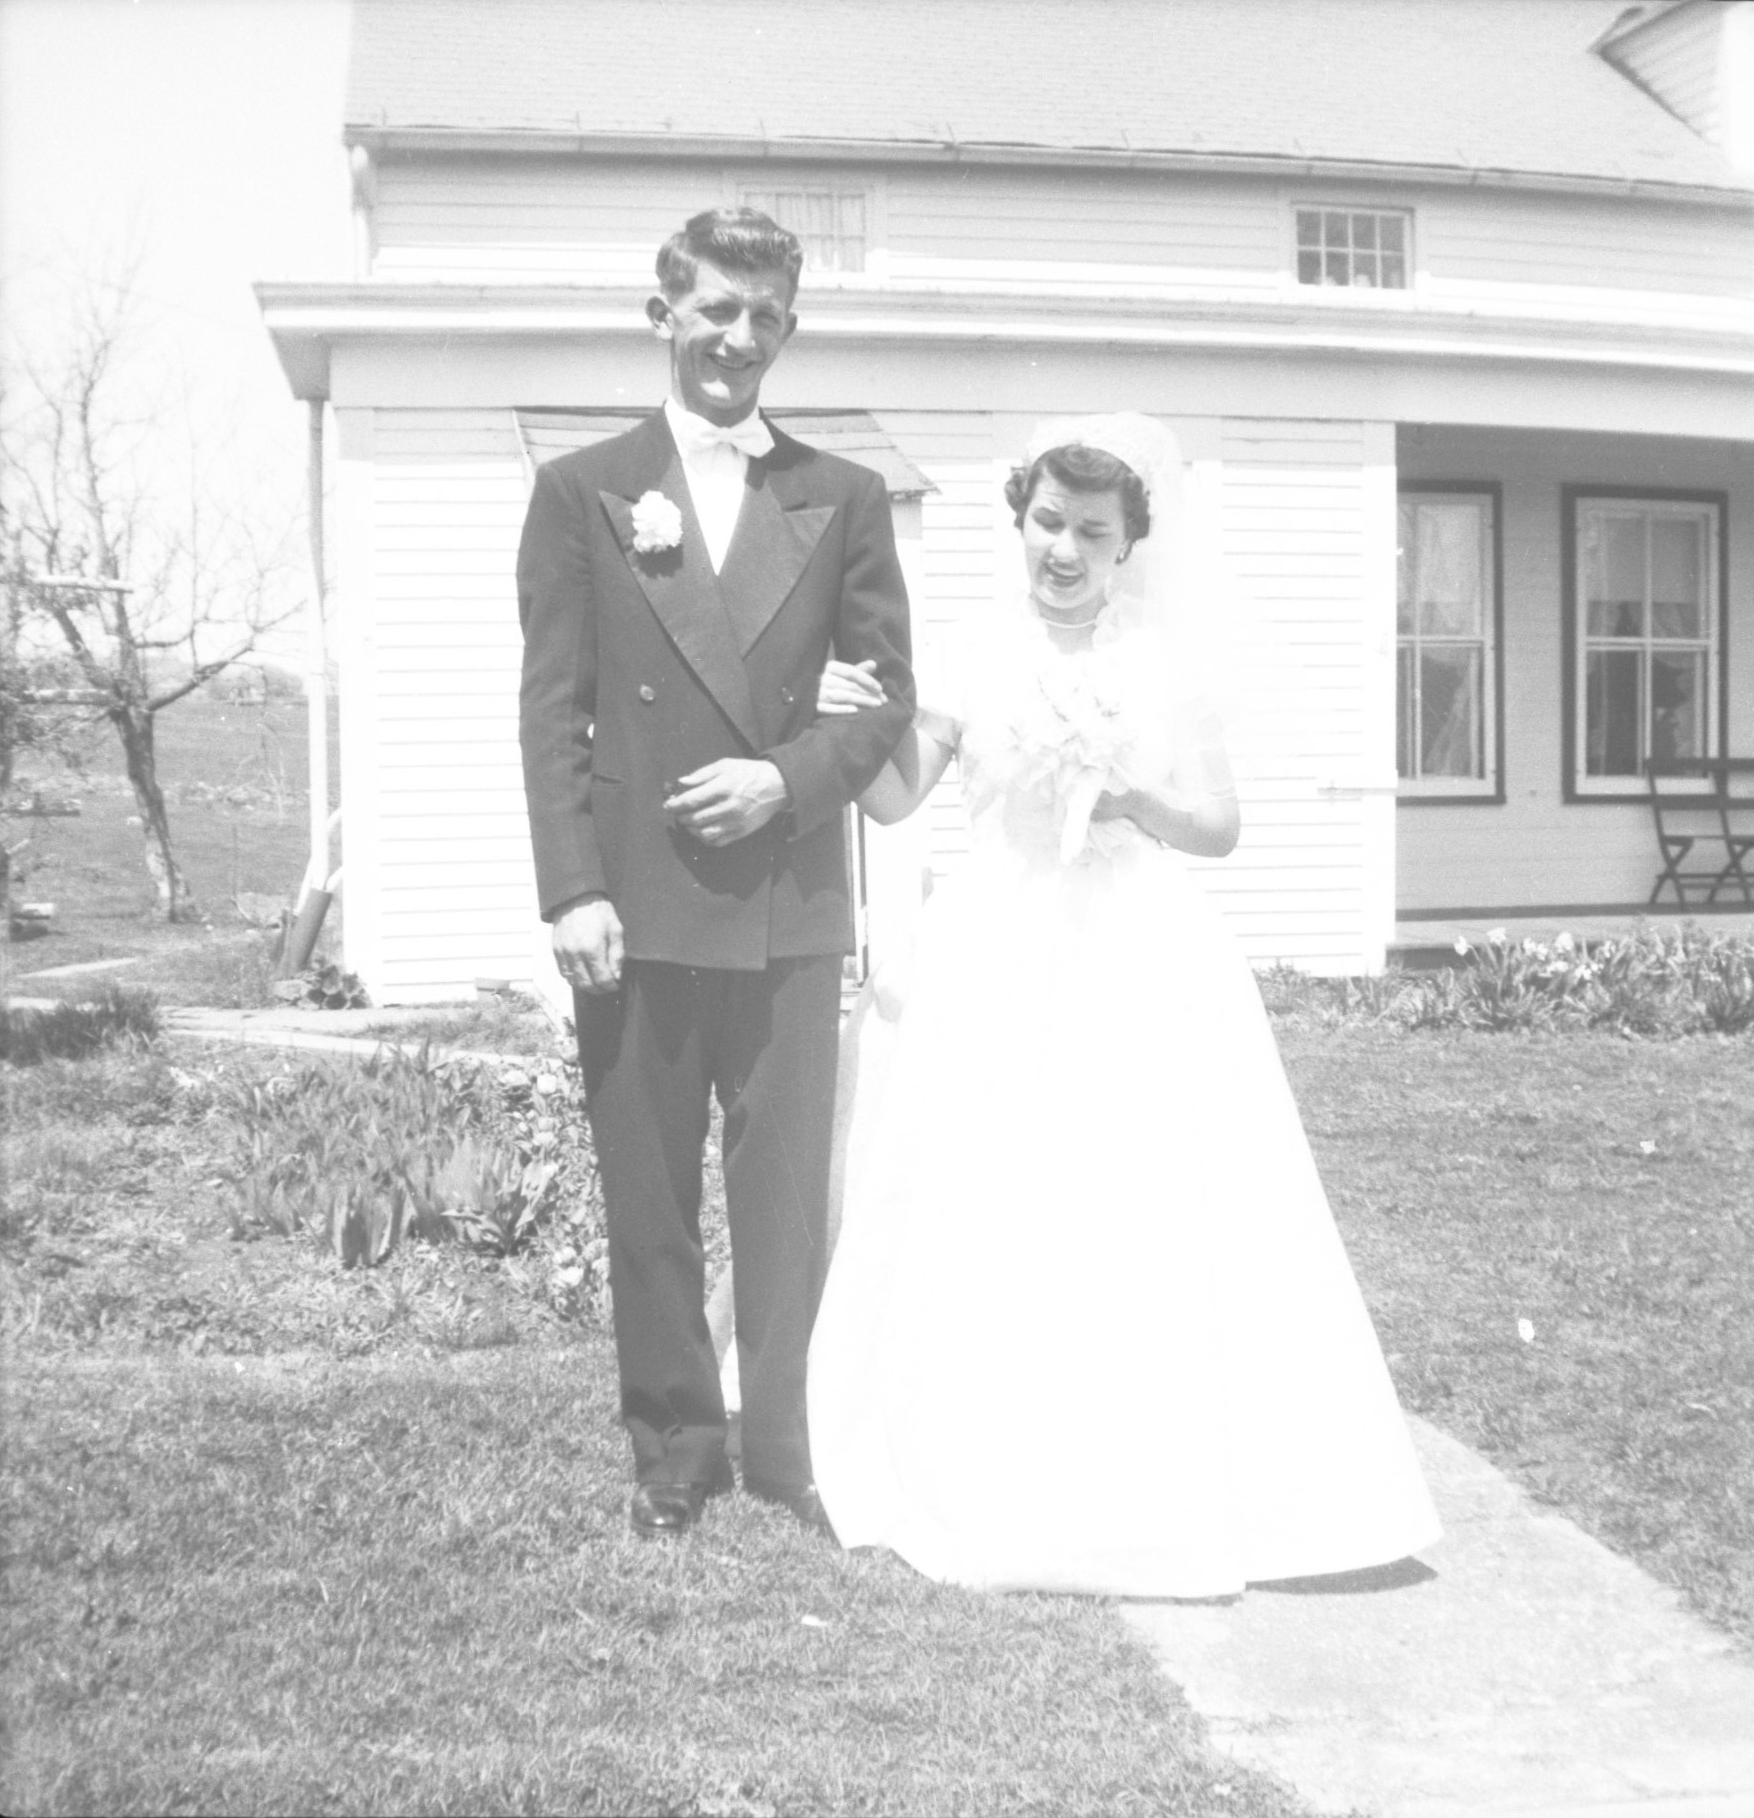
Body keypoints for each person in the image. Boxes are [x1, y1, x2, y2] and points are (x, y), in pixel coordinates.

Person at [804, 414, 1439, 1597]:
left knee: (1135, 1187)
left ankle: (1144, 1466)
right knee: (995, 1186)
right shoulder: (971, 649)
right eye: (1048, 521)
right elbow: (893, 800)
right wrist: (849, 726)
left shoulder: (1158, 662)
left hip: (1134, 947)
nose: (1064, 549)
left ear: (1128, 543)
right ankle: (985, 1447)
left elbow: (1221, 825)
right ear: (1020, 518)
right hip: (998, 937)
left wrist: (1134, 795)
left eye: (1092, 532)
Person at [516, 208, 914, 1540]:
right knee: (649, 1192)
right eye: (718, 311)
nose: (741, 339)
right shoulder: (584, 490)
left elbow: (884, 699)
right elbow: (553, 706)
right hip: (636, 896)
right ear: (664, 317)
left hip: (791, 898)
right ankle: (676, 1451)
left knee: (784, 1195)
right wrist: (572, 887)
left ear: (790, 330)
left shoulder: (842, 496)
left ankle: (787, 1445)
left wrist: (783, 781)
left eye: (767, 318)